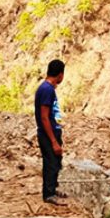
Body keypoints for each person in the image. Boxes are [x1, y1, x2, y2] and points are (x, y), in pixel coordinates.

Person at [35, 59, 66, 205]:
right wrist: (53, 141)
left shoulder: (47, 88)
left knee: (56, 161)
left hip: (52, 131)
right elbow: (44, 116)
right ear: (60, 74)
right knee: (51, 163)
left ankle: (53, 188)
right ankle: (49, 194)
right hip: (48, 133)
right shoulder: (47, 90)